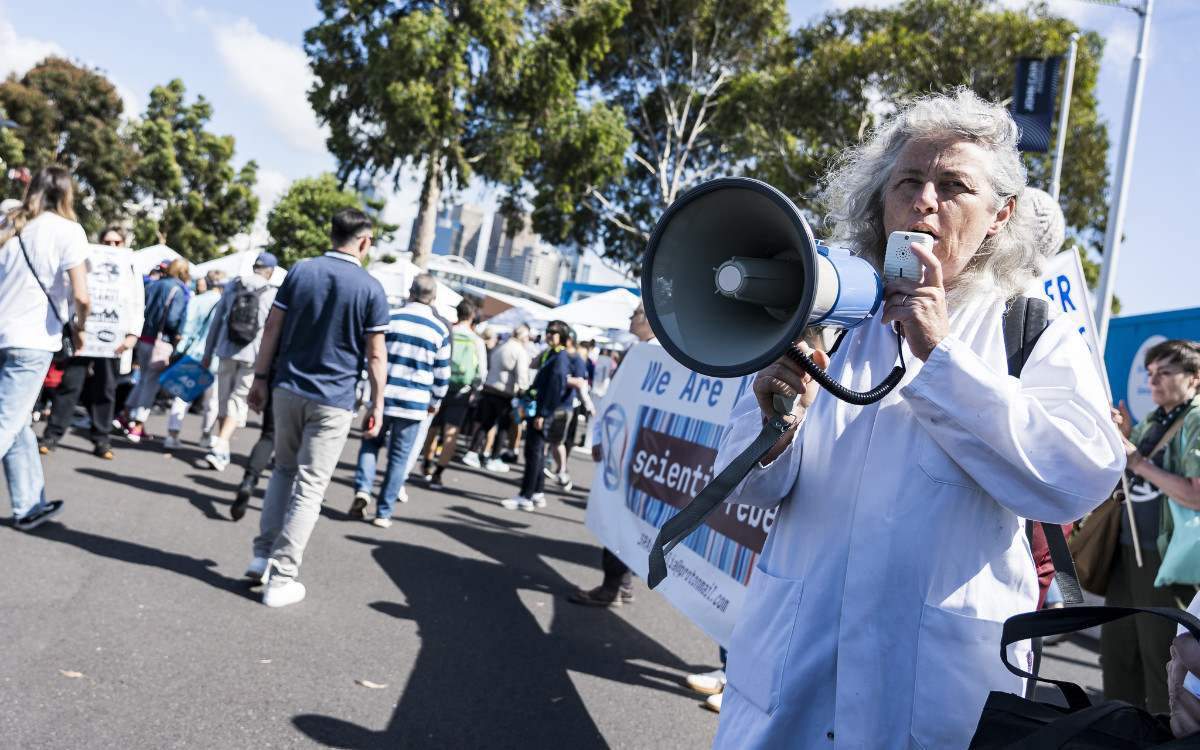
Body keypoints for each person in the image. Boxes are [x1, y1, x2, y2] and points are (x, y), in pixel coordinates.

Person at [708, 89, 1124, 748]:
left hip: (934, 692)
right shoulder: (829, 315)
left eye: (953, 185)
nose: (925, 200)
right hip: (790, 674)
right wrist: (774, 426)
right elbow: (744, 488)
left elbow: (1083, 476)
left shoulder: (1029, 327)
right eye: (909, 181)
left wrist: (942, 357)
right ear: (883, 201)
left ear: (999, 216)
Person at [245, 208, 389, 607]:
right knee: (310, 487)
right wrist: (377, 402)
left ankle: (261, 556)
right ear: (364, 241)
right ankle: (283, 575)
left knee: (283, 470)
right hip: (335, 397)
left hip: (288, 387)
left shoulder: (301, 271)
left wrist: (260, 379)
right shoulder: (371, 288)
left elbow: (272, 327)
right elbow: (376, 356)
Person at [1103, 339, 1200, 713]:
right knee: (1118, 656)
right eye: (1150, 374)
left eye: (1165, 373)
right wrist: (1126, 439)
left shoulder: (1194, 418)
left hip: (1168, 563)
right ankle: (1117, 729)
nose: (1153, 381)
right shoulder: (1155, 418)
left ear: (1195, 378)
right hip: (1128, 553)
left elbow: (1194, 495)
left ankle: (1165, 734)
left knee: (1165, 665)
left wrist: (1138, 460)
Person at [0, 166, 90, 530]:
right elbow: (81, 295)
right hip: (32, 340)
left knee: (17, 422)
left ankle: (29, 506)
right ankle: (28, 507)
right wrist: (81, 329)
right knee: (7, 422)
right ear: (67, 193)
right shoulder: (69, 231)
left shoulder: (11, 224)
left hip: (3, 331)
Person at [569, 301, 654, 606]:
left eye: (636, 313)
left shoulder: (649, 353)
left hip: (634, 453)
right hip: (633, 449)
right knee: (627, 518)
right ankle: (623, 584)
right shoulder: (645, 351)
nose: (631, 317)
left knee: (619, 516)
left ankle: (611, 588)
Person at [351, 274, 450, 526]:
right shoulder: (439, 329)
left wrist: (363, 392)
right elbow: (442, 374)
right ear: (434, 298)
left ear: (410, 293)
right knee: (399, 458)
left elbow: (370, 356)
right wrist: (435, 402)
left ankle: (363, 489)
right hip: (415, 402)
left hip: (382, 396)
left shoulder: (390, 318)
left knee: (370, 444)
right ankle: (383, 513)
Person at [39, 225, 143, 459]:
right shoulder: (87, 261)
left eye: (117, 243)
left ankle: (101, 439)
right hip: (82, 336)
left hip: (113, 340)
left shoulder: (131, 267)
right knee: (70, 386)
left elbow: (137, 302)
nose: (112, 247)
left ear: (124, 245)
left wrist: (133, 334)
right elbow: (72, 294)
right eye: (107, 242)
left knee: (106, 389)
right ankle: (52, 434)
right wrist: (75, 327)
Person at [199, 252, 279, 471]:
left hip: (226, 349)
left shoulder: (233, 286)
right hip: (254, 355)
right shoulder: (272, 293)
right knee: (238, 399)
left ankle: (220, 445)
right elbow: (272, 330)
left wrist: (208, 354)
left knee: (223, 398)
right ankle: (221, 445)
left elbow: (217, 322)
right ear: (270, 272)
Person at [502, 320, 573, 511]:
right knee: (537, 454)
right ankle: (538, 492)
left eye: (553, 332)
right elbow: (536, 370)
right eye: (548, 331)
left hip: (543, 412)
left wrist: (543, 414)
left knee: (533, 454)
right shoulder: (552, 353)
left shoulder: (560, 357)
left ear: (563, 337)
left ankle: (525, 496)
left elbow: (555, 388)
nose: (549, 335)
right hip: (541, 409)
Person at [419, 299, 486, 490]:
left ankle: (428, 463)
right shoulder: (477, 340)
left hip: (440, 386)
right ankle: (438, 475)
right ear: (473, 316)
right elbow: (482, 373)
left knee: (432, 429)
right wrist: (474, 389)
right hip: (462, 392)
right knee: (451, 432)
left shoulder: (447, 331)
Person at [122, 257, 190, 442]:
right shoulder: (178, 289)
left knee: (143, 380)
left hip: (143, 337)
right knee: (150, 383)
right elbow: (172, 320)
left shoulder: (154, 284)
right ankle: (137, 425)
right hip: (160, 341)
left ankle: (126, 415)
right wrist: (179, 332)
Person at [163, 269, 226, 450]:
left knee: (183, 395)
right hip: (214, 356)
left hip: (194, 352)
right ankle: (206, 435)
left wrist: (181, 349)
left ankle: (172, 434)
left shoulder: (196, 300)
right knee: (211, 400)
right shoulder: (224, 304)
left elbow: (187, 327)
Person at [461, 324, 532, 473]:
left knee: (486, 423)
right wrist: (523, 391)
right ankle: (494, 458)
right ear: (523, 337)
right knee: (503, 427)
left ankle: (472, 452)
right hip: (504, 392)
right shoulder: (519, 350)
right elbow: (522, 374)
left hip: (489, 388)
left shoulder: (501, 346)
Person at [544, 331, 593, 492]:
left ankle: (562, 472)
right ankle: (545, 467)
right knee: (547, 440)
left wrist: (558, 379)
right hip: (549, 404)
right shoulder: (556, 353)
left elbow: (580, 383)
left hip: (564, 406)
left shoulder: (576, 359)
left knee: (557, 441)